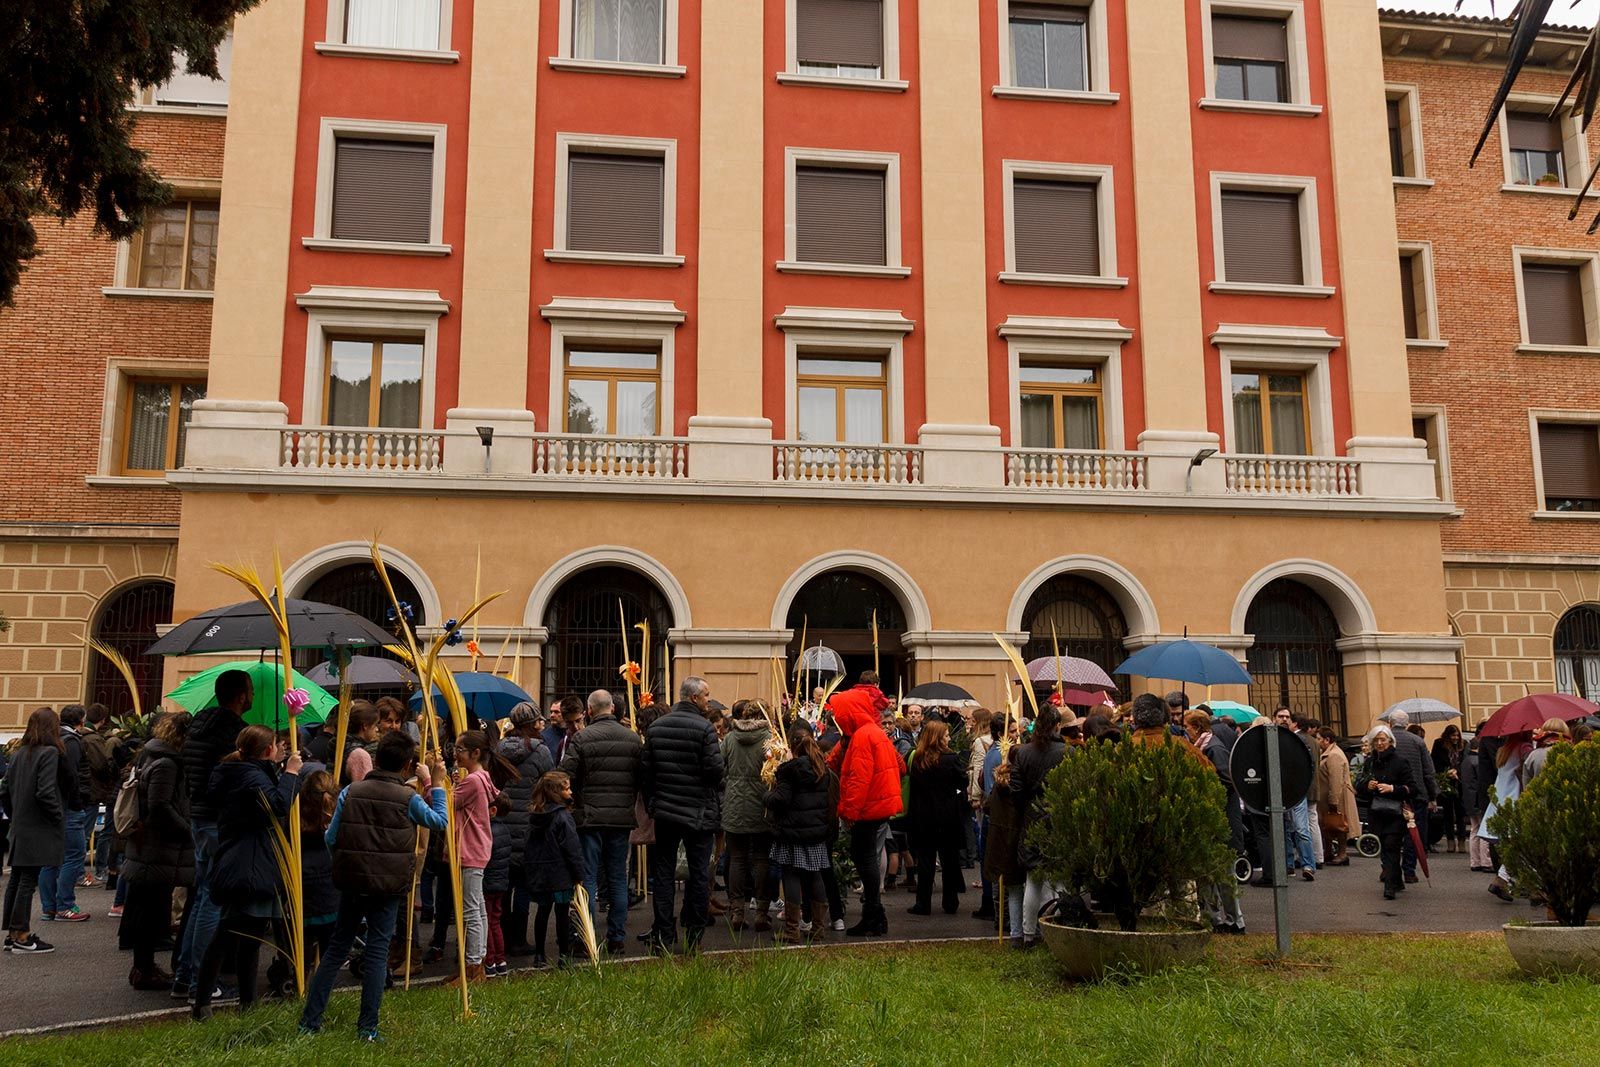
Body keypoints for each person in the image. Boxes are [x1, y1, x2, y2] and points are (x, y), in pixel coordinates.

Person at [299, 730, 447, 1043]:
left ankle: (310, 1022)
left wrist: (344, 860)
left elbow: (330, 837)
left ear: (376, 758)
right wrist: (435, 783)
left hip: (352, 881)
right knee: (378, 953)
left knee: (336, 948)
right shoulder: (409, 798)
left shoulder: (350, 791)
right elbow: (439, 822)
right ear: (407, 765)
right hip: (388, 886)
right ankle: (367, 1028)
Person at [192, 724, 303, 1020]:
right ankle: (203, 1003)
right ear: (267, 750)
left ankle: (246, 1002)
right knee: (229, 933)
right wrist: (291, 773)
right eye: (278, 746)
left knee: (251, 937)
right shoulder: (249, 775)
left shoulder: (243, 771)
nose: (282, 750)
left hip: (251, 859)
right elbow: (277, 804)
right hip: (248, 863)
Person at [176, 668, 251, 1001]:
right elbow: (232, 779)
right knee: (212, 900)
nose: (252, 696)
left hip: (199, 818)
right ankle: (199, 983)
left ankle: (185, 976)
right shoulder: (231, 732)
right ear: (239, 696)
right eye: (249, 691)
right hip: (218, 821)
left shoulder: (199, 726)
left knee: (203, 896)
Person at [640, 677, 724, 954]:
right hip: (699, 812)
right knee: (699, 875)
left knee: (663, 875)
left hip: (665, 811)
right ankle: (694, 936)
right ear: (693, 698)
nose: (708, 701)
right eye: (706, 696)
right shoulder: (705, 729)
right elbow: (715, 771)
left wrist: (654, 800)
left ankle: (664, 933)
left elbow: (646, 772)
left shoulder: (656, 727)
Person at [560, 688, 641, 957]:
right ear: (613, 710)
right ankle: (617, 937)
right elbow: (641, 777)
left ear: (590, 710)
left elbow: (565, 776)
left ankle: (586, 937)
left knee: (588, 879)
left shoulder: (582, 738)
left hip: (590, 817)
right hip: (620, 818)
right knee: (618, 877)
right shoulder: (632, 739)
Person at [119, 711, 194, 988]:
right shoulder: (167, 763)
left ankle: (144, 968)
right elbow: (160, 806)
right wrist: (187, 830)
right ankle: (144, 970)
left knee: (147, 908)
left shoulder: (150, 755)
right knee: (151, 910)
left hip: (148, 845)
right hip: (157, 847)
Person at [829, 680, 901, 938]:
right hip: (877, 806)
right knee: (866, 856)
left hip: (867, 809)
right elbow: (900, 766)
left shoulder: (862, 736)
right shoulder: (872, 731)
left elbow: (858, 780)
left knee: (864, 857)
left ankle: (873, 915)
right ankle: (874, 915)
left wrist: (848, 812)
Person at [2, 708, 66, 954]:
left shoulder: (19, 753)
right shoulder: (49, 753)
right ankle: (22, 935)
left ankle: (13, 933)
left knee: (17, 880)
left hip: (20, 825)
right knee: (27, 881)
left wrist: (16, 813)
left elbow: (4, 789)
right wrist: (57, 816)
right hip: (39, 826)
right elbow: (46, 791)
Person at [765, 724, 836, 944]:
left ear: (792, 746)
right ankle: (818, 927)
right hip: (815, 830)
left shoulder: (788, 770)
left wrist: (765, 796)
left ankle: (791, 930)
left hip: (792, 831)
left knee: (791, 876)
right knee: (815, 876)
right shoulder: (821, 767)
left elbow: (780, 799)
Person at [496, 701, 552, 957]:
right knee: (524, 885)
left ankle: (502, 937)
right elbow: (551, 784)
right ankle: (519, 938)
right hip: (530, 824)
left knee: (503, 885)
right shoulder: (541, 752)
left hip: (503, 825)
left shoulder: (498, 748)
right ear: (532, 724)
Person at [1010, 703, 1067, 948]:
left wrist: (1028, 808)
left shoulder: (1022, 753)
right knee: (1061, 879)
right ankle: (1060, 931)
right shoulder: (1068, 753)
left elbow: (1016, 791)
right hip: (1060, 819)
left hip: (1032, 818)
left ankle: (1028, 934)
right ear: (1057, 726)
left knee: (1033, 879)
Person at [448, 730, 500, 984]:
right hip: (478, 848)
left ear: (475, 753)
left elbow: (446, 804)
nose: (455, 754)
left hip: (469, 849)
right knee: (478, 908)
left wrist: (431, 782)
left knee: (471, 910)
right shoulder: (481, 778)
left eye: (460, 750)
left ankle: (473, 967)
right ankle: (477, 962)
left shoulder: (472, 781)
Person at [721, 698, 774, 934]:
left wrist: (730, 784)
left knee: (738, 859)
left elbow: (718, 765)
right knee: (762, 859)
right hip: (763, 804)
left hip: (734, 804)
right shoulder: (770, 739)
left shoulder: (731, 737)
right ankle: (761, 911)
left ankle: (737, 911)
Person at [905, 721, 968, 917]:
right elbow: (962, 782)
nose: (949, 738)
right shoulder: (951, 759)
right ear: (938, 738)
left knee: (925, 861)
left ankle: (923, 903)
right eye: (946, 735)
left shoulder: (917, 758)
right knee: (949, 860)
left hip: (923, 816)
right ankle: (950, 901)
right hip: (948, 815)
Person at [523, 771, 585, 968]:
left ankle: (539, 955)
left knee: (542, 912)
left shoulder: (535, 816)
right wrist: (579, 874)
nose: (570, 791)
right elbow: (572, 848)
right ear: (556, 792)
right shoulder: (563, 817)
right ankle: (564, 956)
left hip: (541, 872)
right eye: (566, 788)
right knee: (562, 914)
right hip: (561, 873)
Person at [39, 704, 91, 922]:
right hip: (69, 808)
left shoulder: (48, 740)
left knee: (51, 859)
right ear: (80, 721)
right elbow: (72, 778)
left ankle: (50, 906)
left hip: (53, 807)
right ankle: (65, 906)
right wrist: (78, 803)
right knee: (74, 855)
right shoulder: (71, 743)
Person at [1358, 726, 1422, 901]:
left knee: (1391, 844)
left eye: (1383, 740)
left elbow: (1413, 789)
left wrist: (1393, 788)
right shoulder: (1370, 762)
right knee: (1385, 847)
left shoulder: (1401, 762)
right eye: (1376, 740)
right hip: (1377, 811)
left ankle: (1389, 885)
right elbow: (1360, 787)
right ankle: (1397, 878)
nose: (1379, 743)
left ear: (1390, 741)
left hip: (1395, 812)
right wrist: (1367, 785)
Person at [1198, 715, 1247, 934]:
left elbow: (1227, 782)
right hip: (1217, 821)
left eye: (1188, 727)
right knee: (1209, 874)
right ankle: (1216, 918)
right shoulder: (1203, 747)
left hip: (1222, 821)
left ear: (1197, 728)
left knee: (1224, 875)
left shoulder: (1214, 749)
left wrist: (1206, 789)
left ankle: (1235, 920)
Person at [1385, 709, 1438, 884]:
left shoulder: (1384, 739)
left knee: (1389, 833)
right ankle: (1409, 870)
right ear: (1406, 724)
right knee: (1412, 833)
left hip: (1390, 794)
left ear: (1390, 723)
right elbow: (1428, 772)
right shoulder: (1418, 741)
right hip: (1416, 794)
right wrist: (1433, 795)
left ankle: (1388, 868)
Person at [1479, 731, 1531, 903]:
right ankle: (1504, 880)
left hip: (1500, 799)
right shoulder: (1525, 748)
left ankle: (1505, 880)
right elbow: (1525, 772)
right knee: (1521, 845)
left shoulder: (1503, 750)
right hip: (1515, 799)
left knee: (1515, 846)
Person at [80, 703, 123, 888]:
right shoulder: (93, 739)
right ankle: (86, 873)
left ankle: (80, 872)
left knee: (82, 832)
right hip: (93, 791)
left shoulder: (79, 737)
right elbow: (102, 765)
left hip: (85, 791)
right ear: (103, 719)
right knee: (86, 833)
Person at [966, 708, 996, 920]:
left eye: (970, 719)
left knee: (984, 846)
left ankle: (988, 899)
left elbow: (978, 770)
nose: (968, 722)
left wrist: (974, 797)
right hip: (996, 797)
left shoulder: (980, 742)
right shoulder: (996, 741)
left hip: (985, 799)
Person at [482, 793, 515, 977]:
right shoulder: (505, 831)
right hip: (501, 882)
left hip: (488, 883)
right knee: (495, 921)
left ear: (493, 811)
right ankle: (500, 960)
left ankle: (489, 961)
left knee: (486, 922)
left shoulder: (488, 832)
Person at [1315, 729, 1359, 866]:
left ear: (1326, 740)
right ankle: (1329, 852)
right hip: (1328, 796)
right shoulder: (1328, 753)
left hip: (1338, 796)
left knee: (1339, 825)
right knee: (1329, 825)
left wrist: (1333, 800)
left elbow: (1336, 780)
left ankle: (1342, 854)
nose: (1317, 741)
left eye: (1318, 738)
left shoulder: (1334, 755)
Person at [1430, 723, 1467, 853]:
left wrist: (1457, 772)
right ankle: (1450, 841)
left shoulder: (1464, 745)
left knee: (1461, 812)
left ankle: (1461, 840)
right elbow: (1434, 762)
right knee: (1448, 813)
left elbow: (1466, 763)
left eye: (1457, 735)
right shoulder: (1439, 744)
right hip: (1446, 783)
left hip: (1460, 782)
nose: (1455, 738)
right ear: (1447, 736)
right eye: (1453, 735)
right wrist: (1446, 772)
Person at [339, 702, 383, 784]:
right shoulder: (360, 755)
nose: (377, 729)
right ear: (365, 726)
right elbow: (364, 790)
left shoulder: (340, 744)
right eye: (375, 725)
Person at [1522, 718, 1571, 783]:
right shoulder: (1572, 753)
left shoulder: (1534, 755)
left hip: (1537, 792)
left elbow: (1526, 785)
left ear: (1543, 732)